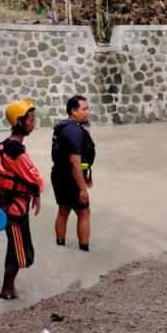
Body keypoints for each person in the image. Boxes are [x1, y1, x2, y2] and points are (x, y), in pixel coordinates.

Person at [0, 100, 44, 300]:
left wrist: (36, 194)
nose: (34, 123)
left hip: (10, 207)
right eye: (31, 120)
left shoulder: (3, 145)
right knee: (17, 252)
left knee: (14, 249)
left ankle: (9, 288)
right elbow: (35, 178)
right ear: (20, 121)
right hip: (15, 209)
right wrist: (38, 191)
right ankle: (6, 291)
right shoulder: (15, 151)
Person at [51, 95, 96, 252]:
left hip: (58, 175)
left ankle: (60, 247)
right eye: (84, 109)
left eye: (87, 109)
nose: (87, 112)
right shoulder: (74, 131)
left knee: (63, 211)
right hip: (70, 178)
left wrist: (86, 175)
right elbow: (75, 162)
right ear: (73, 111)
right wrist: (82, 188)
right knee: (84, 213)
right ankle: (84, 252)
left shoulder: (63, 127)